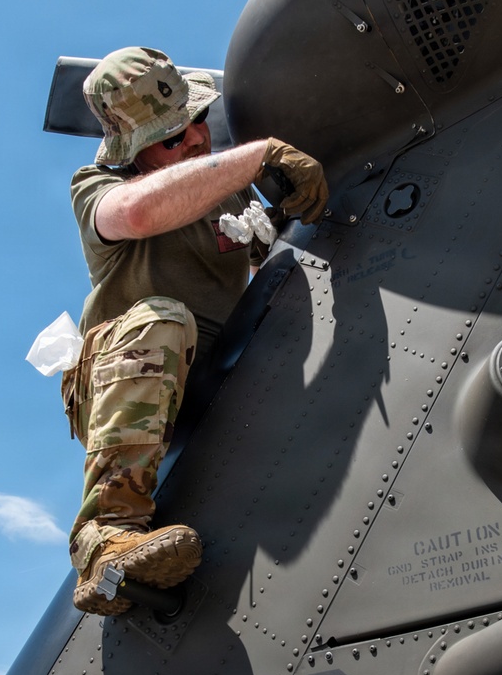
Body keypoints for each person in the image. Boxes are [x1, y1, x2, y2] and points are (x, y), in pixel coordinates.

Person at [63, 46, 329, 616]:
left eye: (198, 122)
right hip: (128, 381)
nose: (194, 141)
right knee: (165, 316)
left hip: (210, 377)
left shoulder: (224, 190)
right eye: (171, 139)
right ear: (133, 153)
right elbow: (135, 215)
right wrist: (259, 156)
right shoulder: (96, 187)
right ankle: (105, 535)